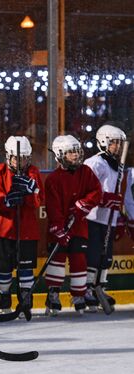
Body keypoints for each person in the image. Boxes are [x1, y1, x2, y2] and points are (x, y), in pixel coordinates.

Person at [0, 136, 44, 319]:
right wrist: (8, 200)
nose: (21, 162)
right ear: (8, 156)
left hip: (26, 229)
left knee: (25, 266)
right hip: (5, 227)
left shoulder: (32, 172)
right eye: (17, 158)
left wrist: (29, 193)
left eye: (24, 158)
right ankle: (3, 298)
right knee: (3, 266)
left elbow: (38, 201)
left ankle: (25, 299)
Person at [44, 135, 102, 316]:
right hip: (59, 229)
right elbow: (53, 207)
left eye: (77, 151)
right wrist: (59, 228)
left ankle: (78, 295)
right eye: (71, 152)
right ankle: (53, 294)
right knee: (57, 261)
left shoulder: (85, 172)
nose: (76, 155)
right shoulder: (53, 179)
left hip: (79, 227)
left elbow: (96, 191)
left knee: (79, 260)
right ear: (60, 154)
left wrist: (84, 204)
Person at [83, 123, 126, 311]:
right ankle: (88, 289)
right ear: (103, 141)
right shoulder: (94, 163)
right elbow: (85, 188)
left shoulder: (117, 165)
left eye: (119, 143)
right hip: (93, 218)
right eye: (114, 142)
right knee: (92, 255)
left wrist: (120, 214)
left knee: (106, 256)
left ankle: (100, 286)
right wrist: (102, 199)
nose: (117, 146)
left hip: (109, 217)